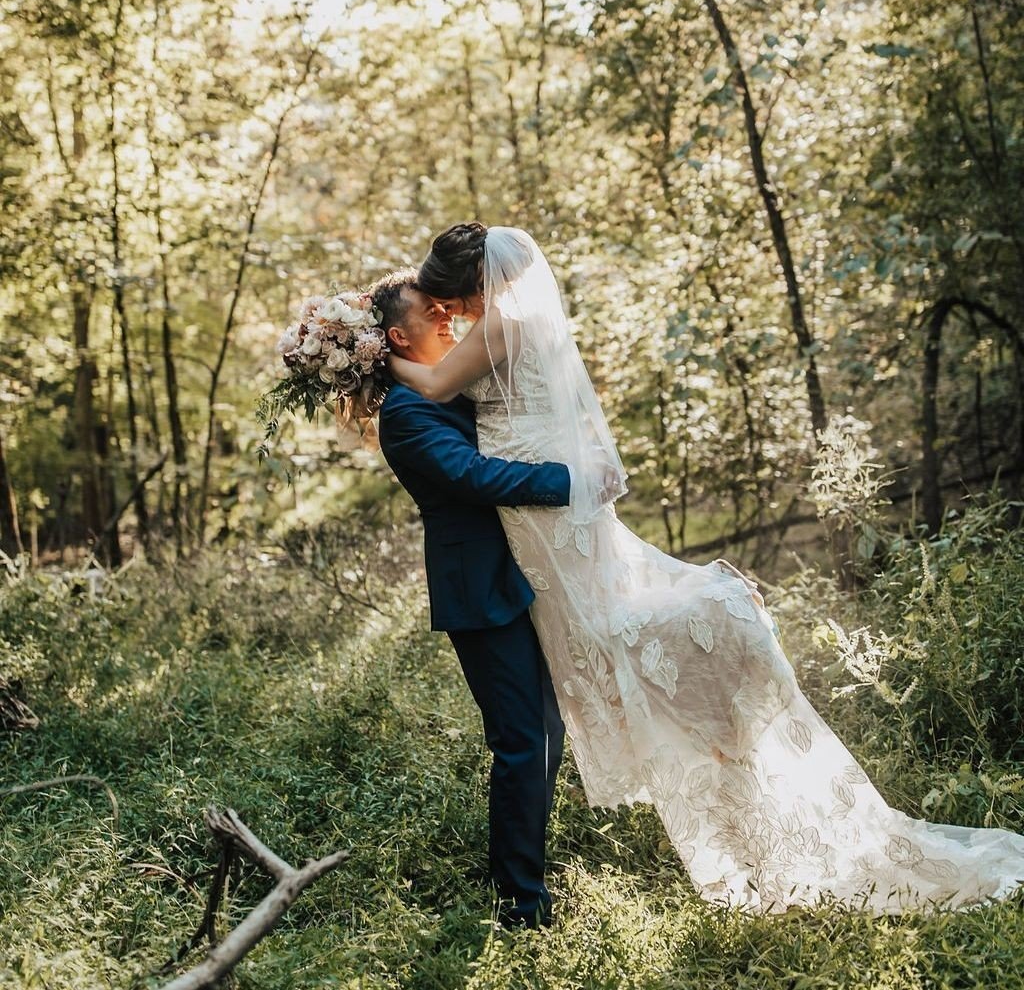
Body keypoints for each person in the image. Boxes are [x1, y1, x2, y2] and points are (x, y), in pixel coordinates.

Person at [387, 223, 1024, 915]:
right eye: (435, 312)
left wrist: (363, 355)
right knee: (580, 674)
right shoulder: (491, 340)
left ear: (474, 285)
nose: (448, 318)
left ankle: (730, 747)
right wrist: (357, 354)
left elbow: (435, 381)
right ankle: (537, 883)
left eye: (450, 303)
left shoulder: (495, 330)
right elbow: (458, 440)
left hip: (548, 521)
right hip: (531, 535)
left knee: (615, 642)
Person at [370, 268, 572, 929]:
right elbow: (470, 474)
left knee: (545, 727)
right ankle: (521, 901)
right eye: (431, 310)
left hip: (522, 570)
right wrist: (569, 479)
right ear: (401, 335)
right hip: (478, 586)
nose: (445, 312)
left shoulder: (448, 379)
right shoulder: (404, 412)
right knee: (520, 737)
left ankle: (524, 865)